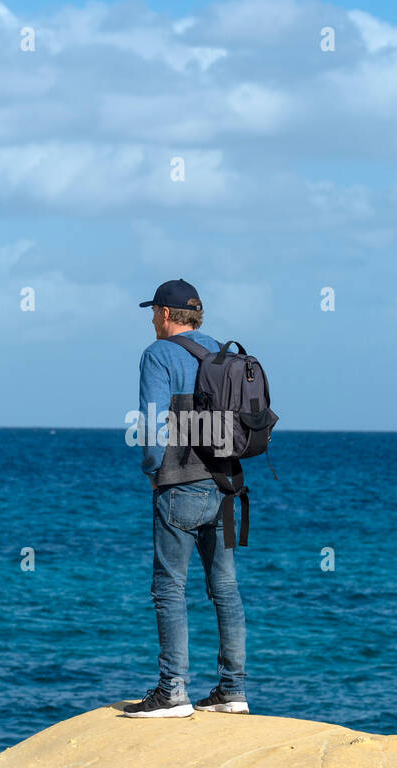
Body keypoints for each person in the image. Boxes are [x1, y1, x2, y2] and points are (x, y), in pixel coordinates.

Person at [123, 279, 249, 718]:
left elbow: (152, 423)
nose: (151, 319)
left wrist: (154, 473)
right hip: (226, 483)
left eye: (153, 312)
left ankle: (172, 691)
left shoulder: (158, 354)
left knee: (169, 589)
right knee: (226, 589)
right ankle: (232, 690)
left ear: (165, 314)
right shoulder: (222, 352)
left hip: (180, 483)